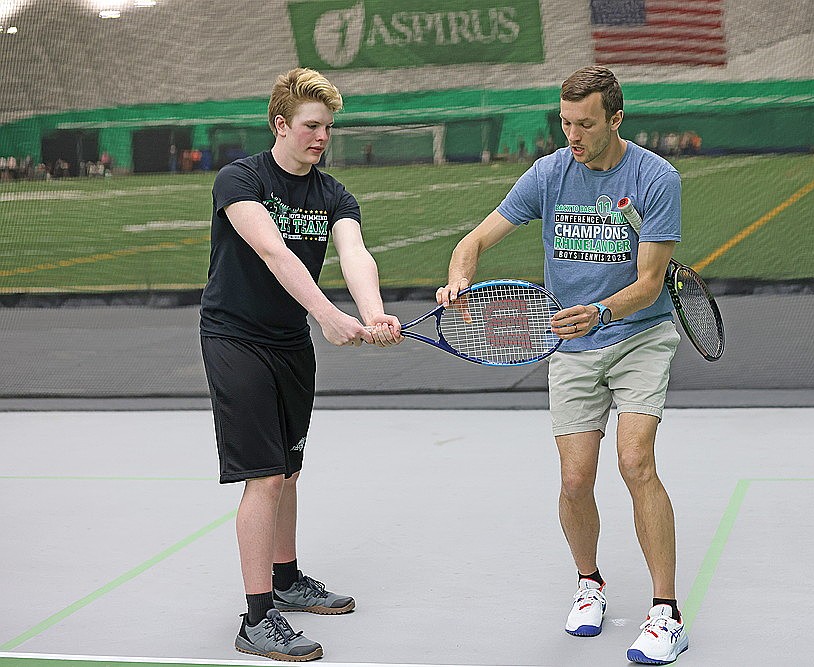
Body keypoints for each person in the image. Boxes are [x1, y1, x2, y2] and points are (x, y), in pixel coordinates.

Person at [437, 65, 688, 664]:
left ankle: (665, 613)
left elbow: (651, 285)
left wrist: (600, 313)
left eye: (585, 124)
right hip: (569, 346)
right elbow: (473, 241)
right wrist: (457, 277)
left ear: (615, 120)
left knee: (636, 461)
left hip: (636, 337)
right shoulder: (550, 173)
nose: (572, 135)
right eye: (566, 122)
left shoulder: (655, 178)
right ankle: (589, 584)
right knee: (575, 479)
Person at [199, 67, 403, 662]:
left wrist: (373, 313)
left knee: (287, 471)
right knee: (262, 476)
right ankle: (257, 615)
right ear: (280, 124)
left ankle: (286, 581)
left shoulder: (333, 193)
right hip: (235, 339)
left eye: (328, 128)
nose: (322, 137)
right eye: (312, 126)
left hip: (289, 343)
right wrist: (326, 314)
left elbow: (355, 252)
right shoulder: (240, 179)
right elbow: (272, 250)